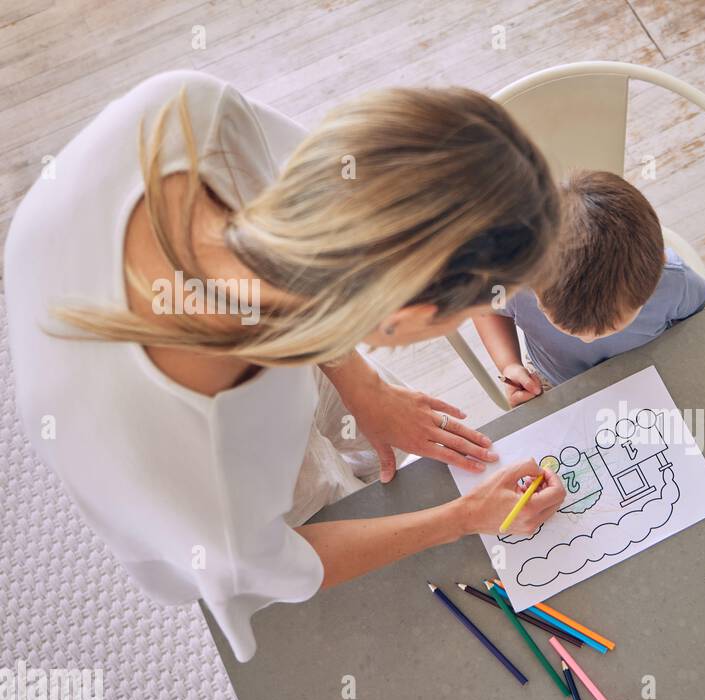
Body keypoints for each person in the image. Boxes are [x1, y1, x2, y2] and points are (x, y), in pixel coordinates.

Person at [4, 70, 567, 661]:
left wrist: (364, 385)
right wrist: (458, 517)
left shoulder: (195, 108)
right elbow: (279, 563)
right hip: (192, 466)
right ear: (411, 312)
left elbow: (304, 253)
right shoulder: (205, 461)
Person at [472, 169, 705, 404]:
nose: (587, 340)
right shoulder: (513, 280)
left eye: (612, 327)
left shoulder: (672, 283)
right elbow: (486, 309)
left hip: (653, 373)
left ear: (652, 282)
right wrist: (509, 364)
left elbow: (699, 327)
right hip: (554, 383)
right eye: (570, 329)